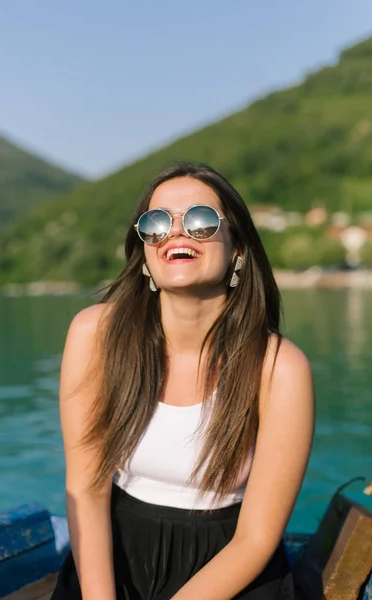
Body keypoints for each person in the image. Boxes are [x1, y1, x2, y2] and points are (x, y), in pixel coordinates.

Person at [50, 161, 315, 600]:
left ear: (238, 250)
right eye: (156, 223)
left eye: (200, 221)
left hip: (230, 572)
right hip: (112, 559)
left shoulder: (278, 368)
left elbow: (257, 538)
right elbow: (86, 485)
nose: (175, 233)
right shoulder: (94, 334)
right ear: (145, 252)